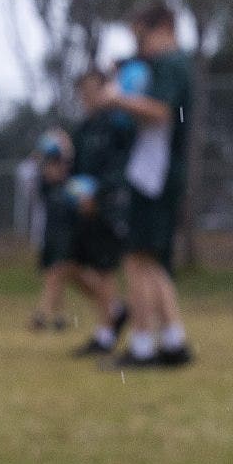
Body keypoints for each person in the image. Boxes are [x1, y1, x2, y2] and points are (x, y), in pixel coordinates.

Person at [104, 3, 195, 369]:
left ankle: (142, 345)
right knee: (152, 261)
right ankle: (174, 342)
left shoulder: (172, 64)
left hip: (153, 176)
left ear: (162, 28)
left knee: (136, 259)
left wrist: (117, 99)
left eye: (140, 35)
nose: (138, 44)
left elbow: (159, 110)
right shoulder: (164, 65)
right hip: (155, 174)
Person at [67, 68, 132, 359]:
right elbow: (77, 170)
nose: (88, 98)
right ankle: (115, 311)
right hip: (83, 206)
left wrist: (101, 196)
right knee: (71, 266)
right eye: (84, 92)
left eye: (93, 90)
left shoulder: (116, 126)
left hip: (108, 208)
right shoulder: (83, 129)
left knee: (104, 270)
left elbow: (120, 168)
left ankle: (105, 335)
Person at [29, 130, 77, 333]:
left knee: (58, 271)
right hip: (52, 228)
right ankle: (58, 316)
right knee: (54, 272)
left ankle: (44, 313)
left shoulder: (70, 168)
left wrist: (66, 150)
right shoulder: (45, 171)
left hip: (66, 229)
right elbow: (51, 175)